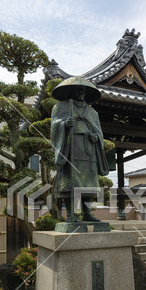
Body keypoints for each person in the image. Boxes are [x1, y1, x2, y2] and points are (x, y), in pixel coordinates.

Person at [51, 77, 109, 222]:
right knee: (70, 183)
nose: (81, 91)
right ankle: (71, 214)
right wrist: (64, 124)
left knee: (88, 182)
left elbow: (99, 132)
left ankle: (87, 213)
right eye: (78, 89)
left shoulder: (92, 112)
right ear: (71, 91)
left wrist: (97, 137)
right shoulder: (61, 107)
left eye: (84, 89)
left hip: (88, 148)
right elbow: (54, 125)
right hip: (70, 148)